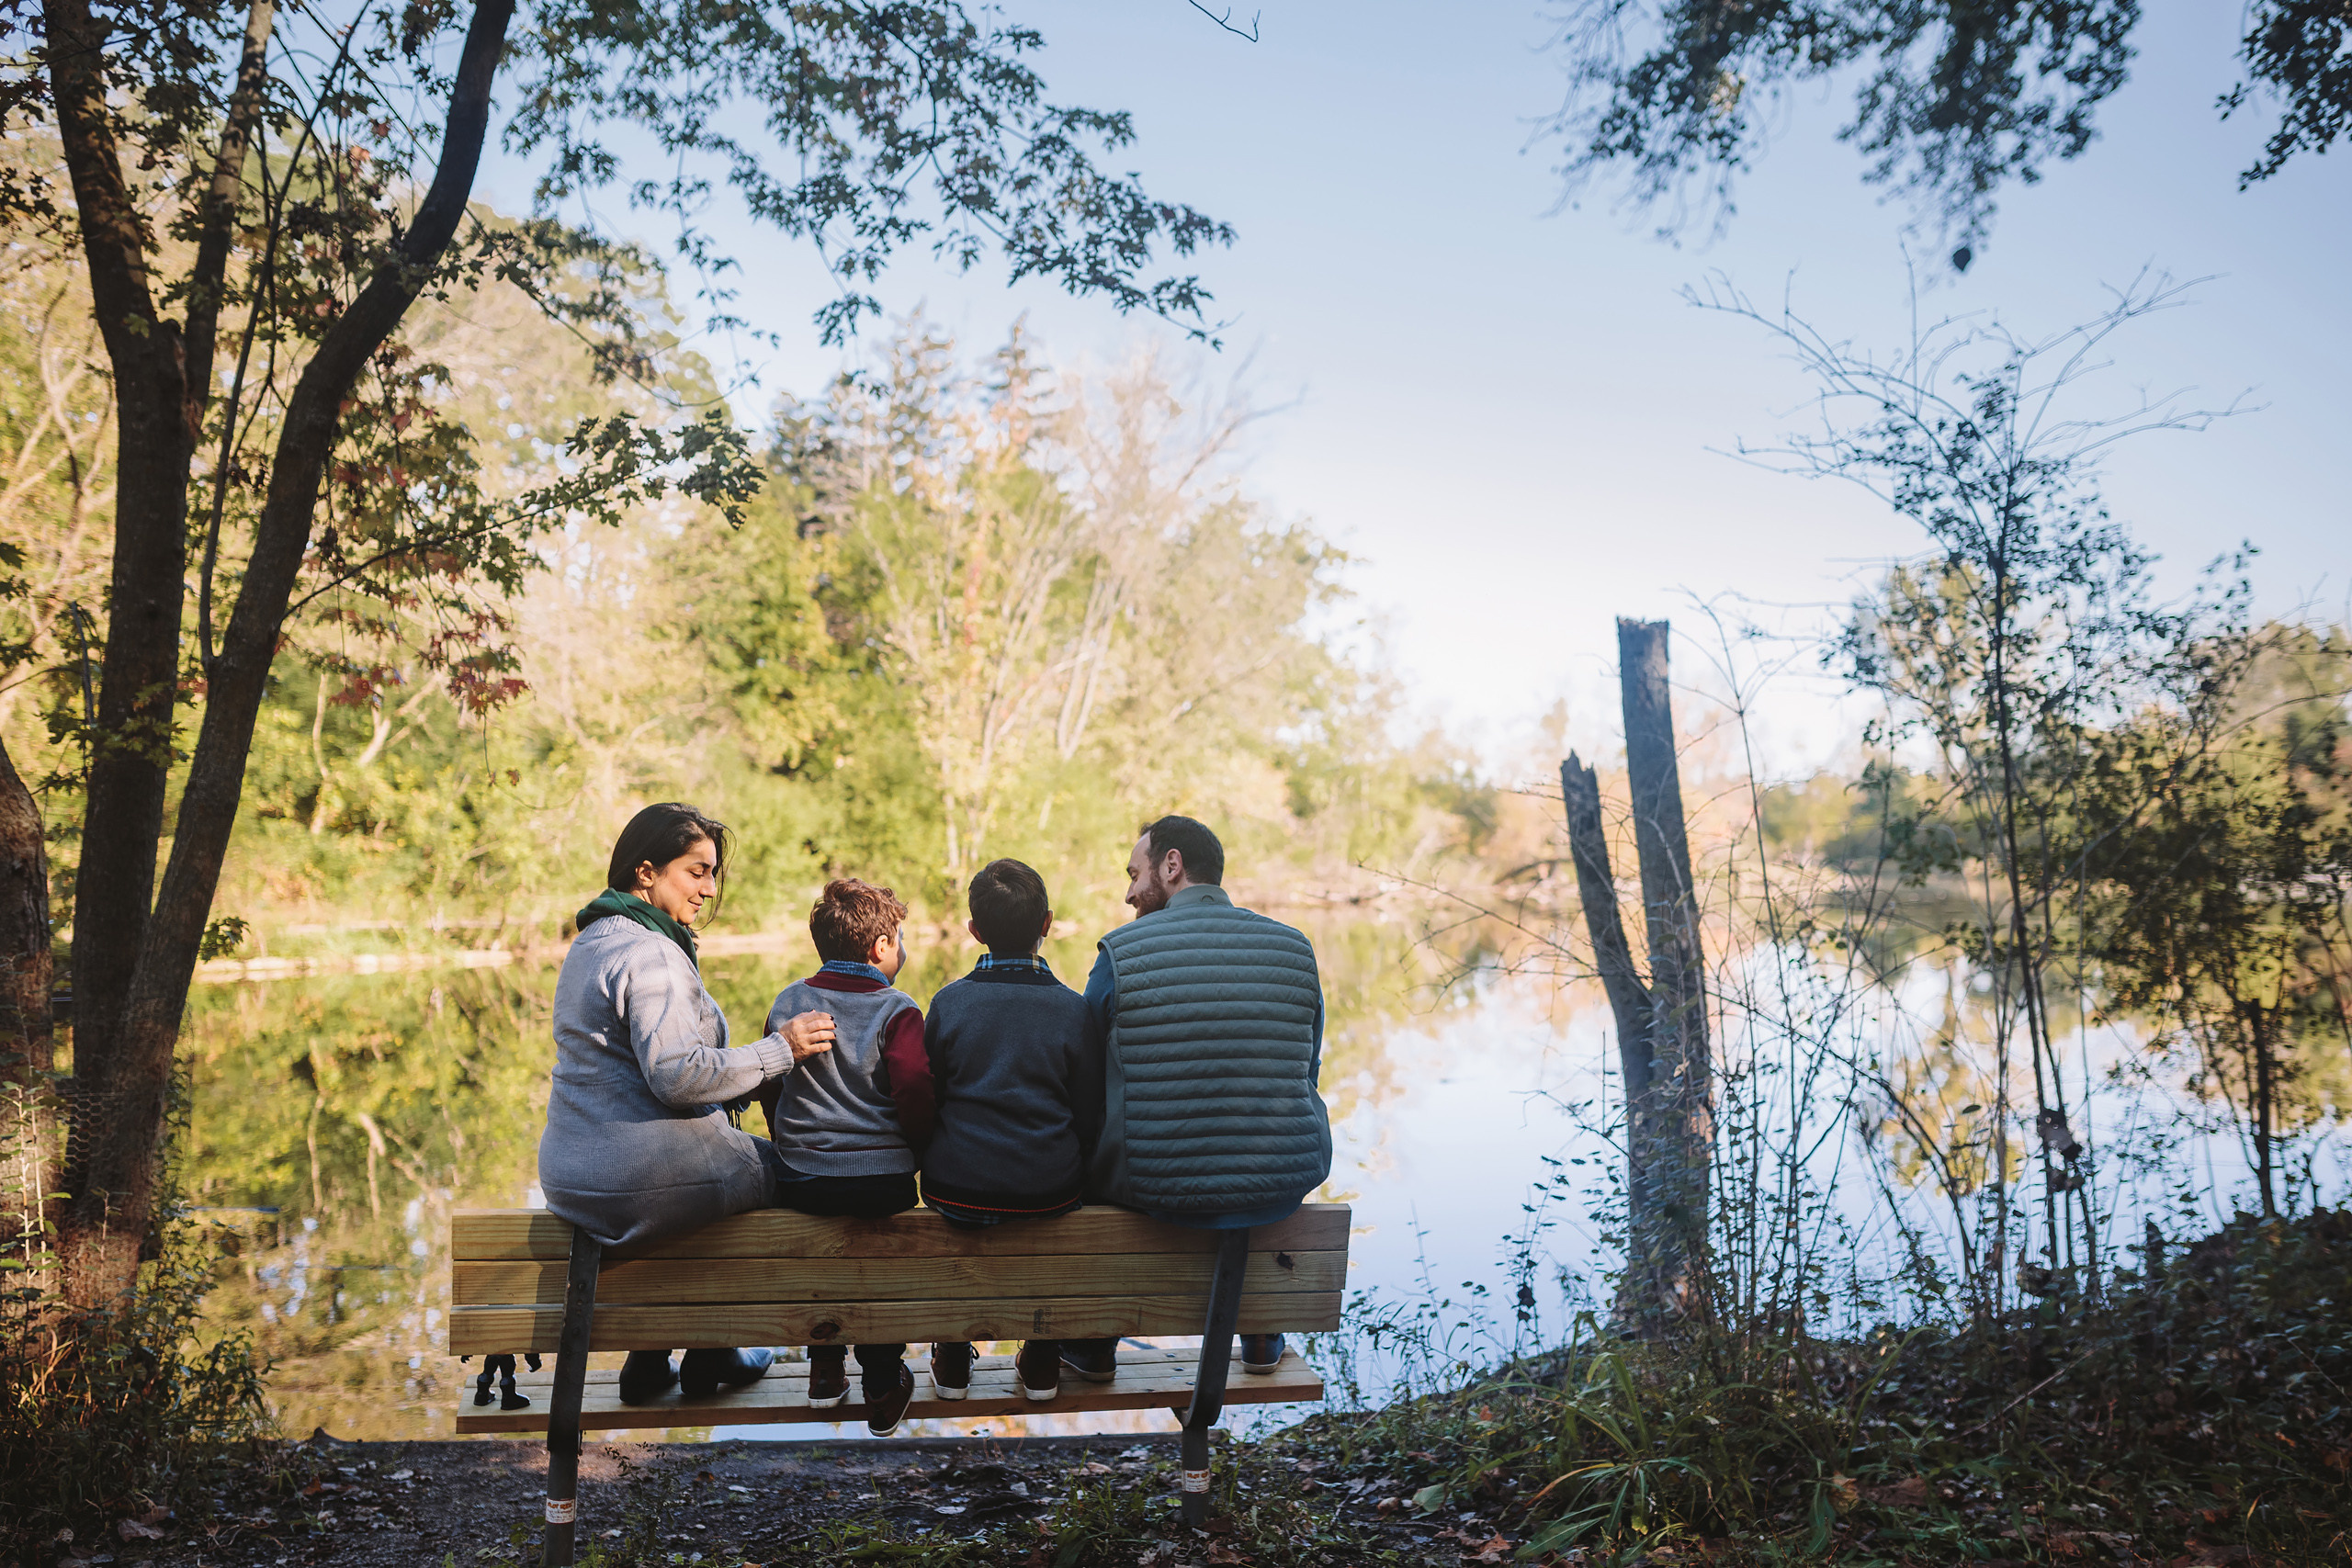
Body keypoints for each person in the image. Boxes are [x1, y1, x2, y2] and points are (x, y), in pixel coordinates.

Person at [538, 803, 837, 1406]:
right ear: (646, 873)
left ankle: (649, 1359)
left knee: (708, 1179)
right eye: (696, 871)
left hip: (572, 1175)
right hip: (632, 1173)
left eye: (713, 873)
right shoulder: (651, 952)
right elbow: (676, 1075)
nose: (708, 888)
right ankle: (717, 1340)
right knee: (786, 1173)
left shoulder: (592, 939)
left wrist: (740, 1081)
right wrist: (780, 1051)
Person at [1062, 815, 1331, 1386]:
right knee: (1246, 1155)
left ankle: (1091, 1342)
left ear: (1172, 865)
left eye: (1134, 873)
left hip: (1154, 1184)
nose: (1129, 892)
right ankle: (1261, 1329)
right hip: (1279, 1177)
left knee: (1088, 1154)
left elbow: (1084, 1083)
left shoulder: (1120, 953)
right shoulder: (1294, 947)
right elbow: (1306, 1071)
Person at [919, 858, 1101, 1404]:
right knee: (1058, 1207)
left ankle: (952, 1353)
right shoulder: (1074, 1011)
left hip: (958, 1188)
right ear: (1047, 924)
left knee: (958, 1219)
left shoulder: (949, 1004)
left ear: (975, 932)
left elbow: (930, 1100)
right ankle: (1042, 1352)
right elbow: (1089, 1112)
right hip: (1049, 1188)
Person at [758, 877, 934, 1437]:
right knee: (880, 1263)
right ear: (882, 946)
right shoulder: (898, 1009)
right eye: (899, 937)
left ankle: (824, 1371)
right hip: (881, 1181)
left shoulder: (789, 1002)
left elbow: (768, 1083)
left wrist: (791, 1141)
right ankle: (881, 1380)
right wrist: (921, 1150)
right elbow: (914, 1092)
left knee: (820, 1251)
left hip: (804, 1176)